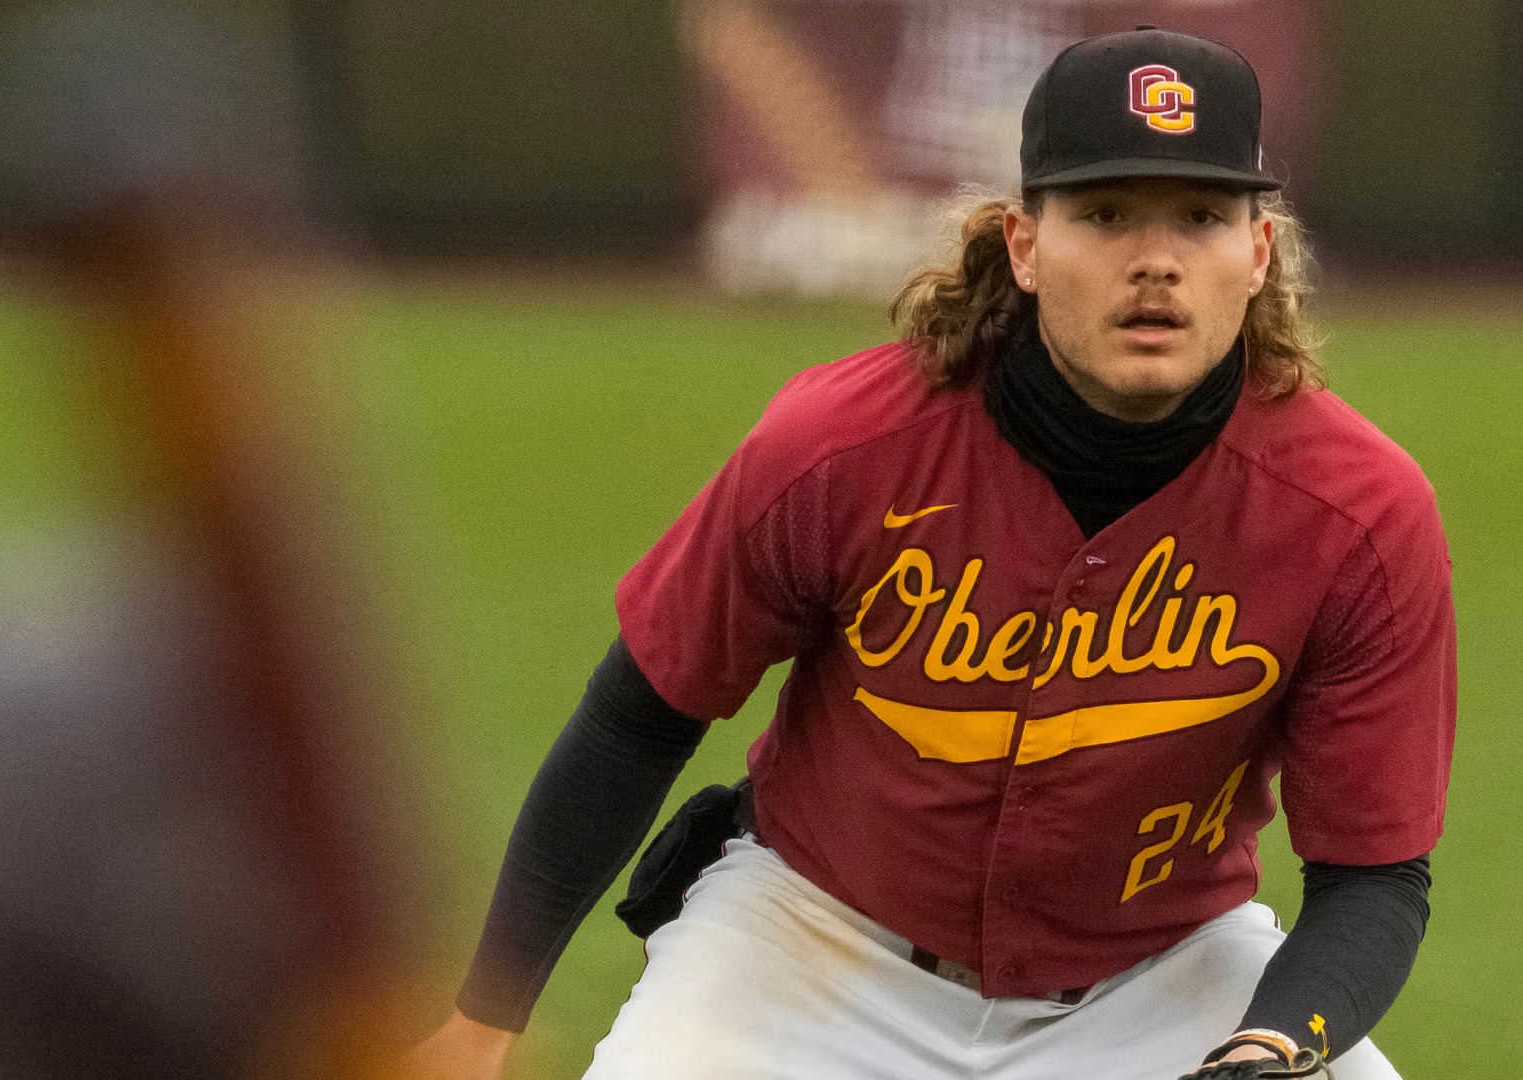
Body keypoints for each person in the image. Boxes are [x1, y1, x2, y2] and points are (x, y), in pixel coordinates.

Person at [411, 26, 1454, 1080]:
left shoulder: (1357, 510)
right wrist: (482, 1021)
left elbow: (1375, 874)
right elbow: (641, 716)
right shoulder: (840, 448)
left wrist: (1277, 1048)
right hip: (811, 947)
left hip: (1161, 977)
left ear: (1260, 250)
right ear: (1024, 245)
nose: (1156, 260)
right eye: (1104, 214)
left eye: (1200, 217)